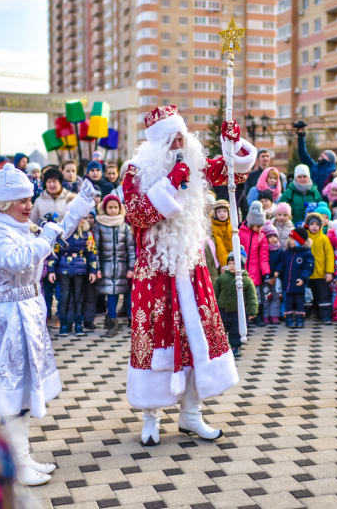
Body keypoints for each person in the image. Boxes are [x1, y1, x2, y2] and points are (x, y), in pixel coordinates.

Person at [121, 106, 256, 446]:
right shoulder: (135, 171)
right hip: (153, 273)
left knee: (199, 338)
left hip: (191, 268)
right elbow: (136, 214)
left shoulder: (195, 165)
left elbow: (232, 175)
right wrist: (170, 182)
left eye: (182, 136)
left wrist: (233, 144)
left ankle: (191, 414)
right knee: (155, 342)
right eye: (171, 138)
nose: (179, 143)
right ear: (157, 143)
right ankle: (150, 417)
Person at [0, 163, 94, 486]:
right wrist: (49, 235)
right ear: (2, 204)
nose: (29, 206)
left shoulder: (19, 226)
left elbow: (52, 236)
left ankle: (20, 456)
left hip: (30, 312)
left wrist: (79, 206)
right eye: (22, 200)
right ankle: (12, 462)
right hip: (11, 317)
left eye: (30, 199)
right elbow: (16, 260)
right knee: (13, 394)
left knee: (24, 393)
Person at [92, 194, 136, 337]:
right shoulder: (98, 226)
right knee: (111, 295)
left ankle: (116, 318)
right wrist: (97, 268)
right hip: (106, 268)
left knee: (120, 294)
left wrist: (131, 268)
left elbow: (130, 249)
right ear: (105, 208)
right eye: (110, 207)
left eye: (116, 207)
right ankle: (113, 323)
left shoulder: (125, 226)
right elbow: (95, 249)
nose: (113, 210)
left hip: (122, 268)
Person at [51, 204, 98, 336]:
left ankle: (79, 325)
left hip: (80, 269)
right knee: (64, 297)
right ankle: (64, 325)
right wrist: (51, 270)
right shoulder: (61, 233)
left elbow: (92, 253)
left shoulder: (87, 234)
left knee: (78, 297)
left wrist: (93, 271)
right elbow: (54, 253)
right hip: (64, 268)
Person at [214, 251, 257, 358]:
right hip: (223, 309)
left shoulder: (246, 280)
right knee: (221, 329)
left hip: (238, 311)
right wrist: (212, 306)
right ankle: (220, 347)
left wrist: (252, 311)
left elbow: (251, 297)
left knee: (236, 330)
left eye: (235, 264)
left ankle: (236, 347)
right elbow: (215, 292)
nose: (232, 266)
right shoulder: (222, 278)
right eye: (230, 264)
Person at [239, 201, 271, 328]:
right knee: (242, 297)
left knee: (256, 296)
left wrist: (266, 272)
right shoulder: (240, 233)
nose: (259, 228)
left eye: (261, 226)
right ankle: (244, 319)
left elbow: (263, 256)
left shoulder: (261, 236)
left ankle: (257, 316)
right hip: (242, 272)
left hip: (255, 272)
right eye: (257, 226)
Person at [276, 227, 314, 329]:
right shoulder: (287, 252)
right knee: (288, 301)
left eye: (293, 239)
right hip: (288, 284)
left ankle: (300, 319)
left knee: (299, 302)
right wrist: (277, 271)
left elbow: (308, 268)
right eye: (290, 239)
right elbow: (282, 263)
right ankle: (288, 319)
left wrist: (303, 278)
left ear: (300, 241)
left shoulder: (306, 254)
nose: (290, 241)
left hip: (299, 284)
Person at [304, 212, 334, 324]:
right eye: (312, 224)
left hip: (321, 274)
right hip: (307, 274)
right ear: (308, 225)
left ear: (321, 226)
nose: (315, 226)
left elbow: (329, 256)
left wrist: (329, 271)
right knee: (307, 296)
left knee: (323, 295)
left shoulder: (324, 239)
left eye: (317, 224)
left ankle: (325, 315)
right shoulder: (305, 238)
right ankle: (305, 313)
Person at [261, 221, 283, 324]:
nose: (273, 238)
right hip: (265, 278)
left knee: (276, 297)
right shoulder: (263, 250)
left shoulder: (280, 250)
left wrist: (277, 272)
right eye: (270, 236)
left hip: (276, 278)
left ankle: (274, 315)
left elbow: (281, 262)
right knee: (265, 297)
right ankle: (265, 316)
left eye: (275, 236)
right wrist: (267, 276)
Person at [210, 199, 232, 271]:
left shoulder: (232, 225)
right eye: (219, 212)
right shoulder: (214, 228)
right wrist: (224, 264)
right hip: (222, 262)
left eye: (225, 211)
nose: (222, 213)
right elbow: (220, 247)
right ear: (215, 214)